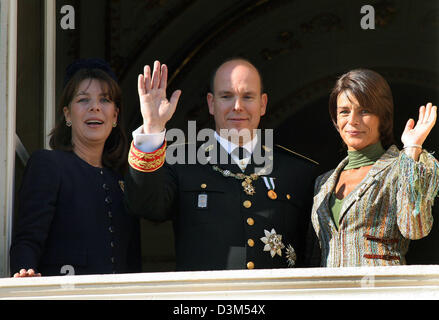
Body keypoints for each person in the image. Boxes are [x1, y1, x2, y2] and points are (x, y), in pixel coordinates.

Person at [124, 58, 319, 271]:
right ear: (211, 103)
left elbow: (312, 254)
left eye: (248, 97)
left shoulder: (298, 171)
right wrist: (153, 127)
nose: (237, 106)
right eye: (226, 96)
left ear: (262, 104)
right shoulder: (181, 161)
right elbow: (145, 206)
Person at [10, 59, 141, 277]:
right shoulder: (48, 164)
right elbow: (27, 239)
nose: (95, 107)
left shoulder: (123, 182)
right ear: (68, 114)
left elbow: (133, 263)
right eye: (83, 100)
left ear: (115, 116)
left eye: (105, 100)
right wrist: (25, 273)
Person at [311, 68, 438, 267]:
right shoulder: (323, 182)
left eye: (365, 111)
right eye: (344, 111)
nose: (352, 120)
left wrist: (412, 149)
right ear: (336, 119)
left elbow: (415, 229)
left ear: (383, 117)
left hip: (383, 290)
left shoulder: (402, 166)